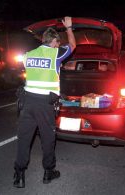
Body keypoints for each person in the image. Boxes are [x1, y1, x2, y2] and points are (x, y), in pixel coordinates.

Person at [13, 16, 76, 188]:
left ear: (42, 40)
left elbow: (33, 70)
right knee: (48, 139)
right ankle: (48, 172)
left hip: (27, 103)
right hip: (44, 105)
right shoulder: (55, 54)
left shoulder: (28, 55)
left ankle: (19, 175)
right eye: (57, 42)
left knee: (24, 139)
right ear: (54, 41)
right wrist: (69, 28)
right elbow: (72, 46)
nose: (58, 45)